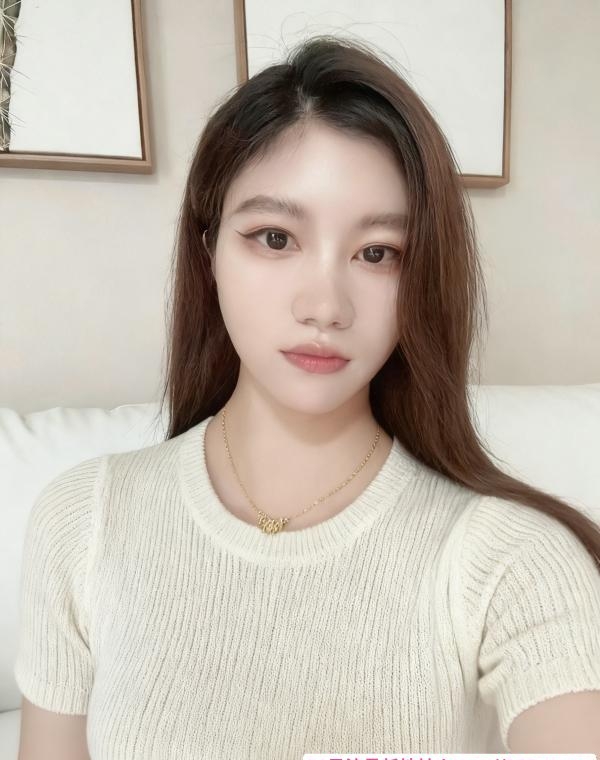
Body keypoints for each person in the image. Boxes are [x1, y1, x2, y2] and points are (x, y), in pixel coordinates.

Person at [14, 34, 600, 759]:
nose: (325, 305)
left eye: (378, 253)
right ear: (208, 251)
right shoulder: (85, 523)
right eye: (275, 238)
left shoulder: (518, 562)